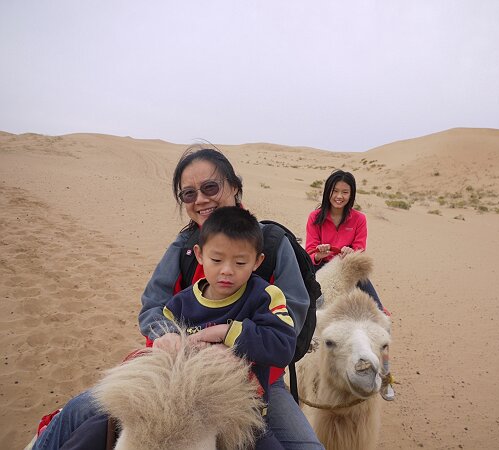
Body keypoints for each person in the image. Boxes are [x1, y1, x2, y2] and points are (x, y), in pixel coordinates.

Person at [32, 146, 324, 450]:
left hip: (255, 377)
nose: (201, 199)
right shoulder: (184, 246)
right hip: (176, 367)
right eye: (189, 193)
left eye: (210, 187)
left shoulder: (272, 242)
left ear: (235, 187)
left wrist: (236, 350)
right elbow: (154, 305)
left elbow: (292, 314)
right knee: (79, 411)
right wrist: (167, 336)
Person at [163, 206, 296, 449]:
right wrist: (169, 344)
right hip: (186, 418)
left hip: (245, 420)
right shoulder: (179, 305)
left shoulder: (265, 297)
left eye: (240, 262)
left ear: (257, 261)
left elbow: (283, 346)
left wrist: (228, 332)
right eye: (216, 259)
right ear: (200, 255)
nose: (227, 270)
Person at [305, 169, 395, 401]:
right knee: (302, 310)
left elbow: (360, 248)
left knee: (383, 320)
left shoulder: (359, 219)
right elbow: (309, 251)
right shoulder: (315, 218)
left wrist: (350, 252)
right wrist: (319, 253)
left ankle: (386, 376)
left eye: (345, 192)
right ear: (328, 192)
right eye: (335, 191)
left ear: (351, 194)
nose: (339, 196)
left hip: (350, 271)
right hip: (319, 268)